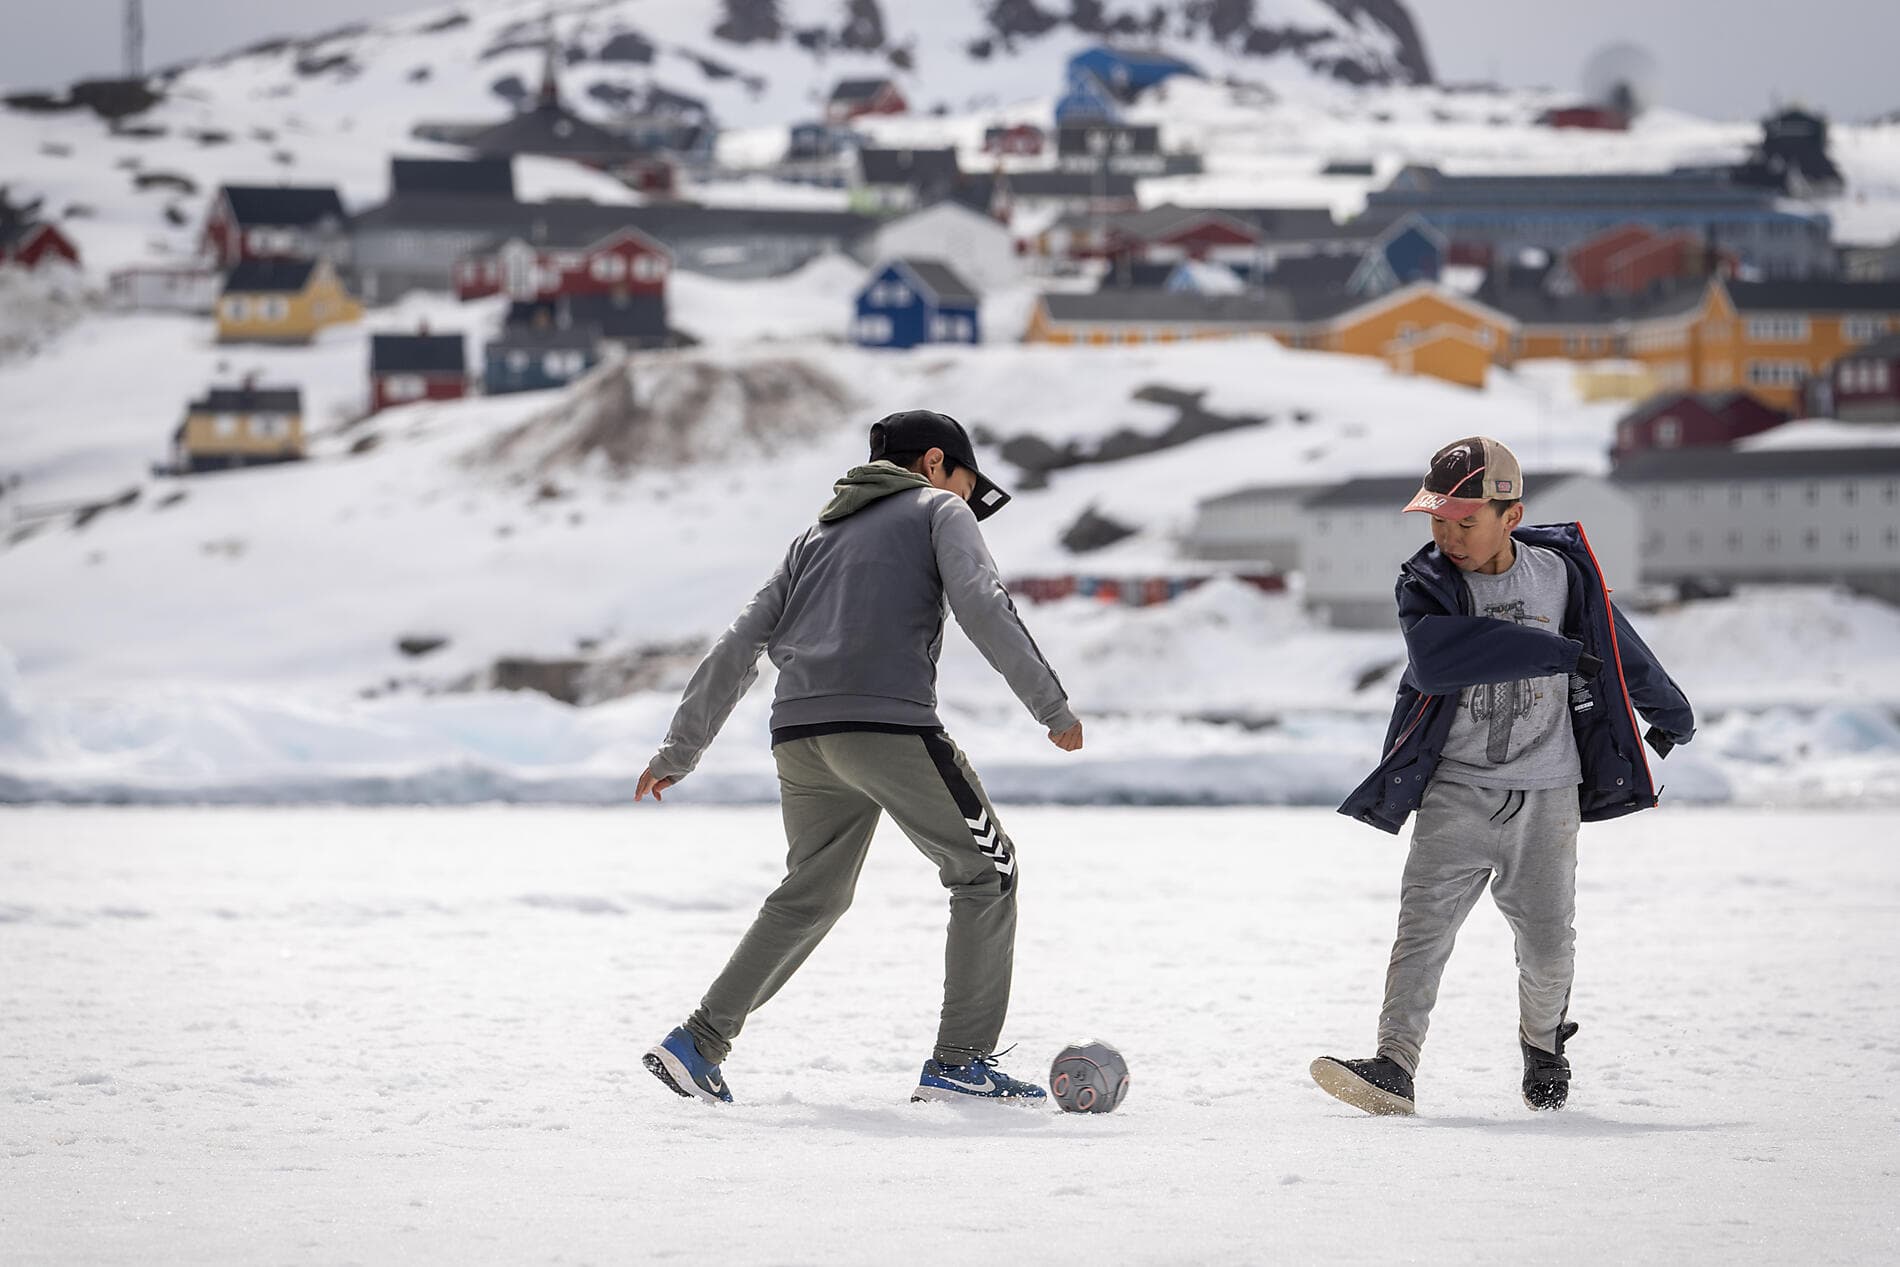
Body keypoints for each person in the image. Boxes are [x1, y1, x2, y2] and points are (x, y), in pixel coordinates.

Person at [635, 409, 1083, 1106]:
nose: (969, 498)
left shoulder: (813, 536)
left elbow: (738, 643)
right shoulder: (939, 508)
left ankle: (698, 1042)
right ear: (936, 464)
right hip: (887, 725)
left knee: (812, 892)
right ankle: (960, 1065)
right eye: (967, 482)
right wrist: (1051, 707)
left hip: (801, 736)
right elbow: (983, 604)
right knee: (986, 873)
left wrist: (679, 749)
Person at [1314, 436, 1696, 1115]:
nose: (1448, 535)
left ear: (1510, 515)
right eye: (1437, 520)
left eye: (1465, 520)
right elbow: (1437, 662)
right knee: (1421, 933)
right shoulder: (1426, 583)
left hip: (1547, 794)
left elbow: (1610, 645)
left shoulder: (1560, 575)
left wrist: (1669, 707)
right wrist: (1554, 652)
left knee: (1548, 948)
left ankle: (1543, 1044)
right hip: (1455, 790)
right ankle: (1394, 1064)